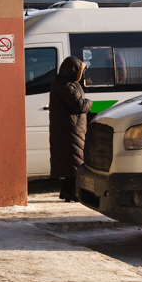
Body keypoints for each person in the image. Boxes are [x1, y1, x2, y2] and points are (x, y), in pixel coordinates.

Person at [48, 56, 90, 203]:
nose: (81, 74)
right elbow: (79, 105)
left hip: (70, 127)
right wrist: (89, 103)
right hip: (70, 128)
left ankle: (66, 190)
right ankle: (72, 192)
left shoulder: (65, 82)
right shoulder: (65, 85)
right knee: (74, 160)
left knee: (71, 160)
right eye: (79, 71)